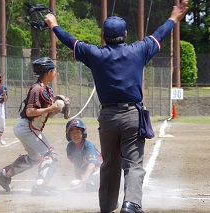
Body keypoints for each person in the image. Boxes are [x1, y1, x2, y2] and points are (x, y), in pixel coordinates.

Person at [44, 1, 188, 212]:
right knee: (133, 163)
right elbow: (159, 34)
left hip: (108, 117)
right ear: (126, 34)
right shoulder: (138, 50)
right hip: (132, 115)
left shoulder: (95, 54)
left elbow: (71, 42)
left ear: (103, 36)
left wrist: (54, 24)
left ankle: (107, 207)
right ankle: (130, 204)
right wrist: (174, 18)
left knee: (110, 164)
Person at [0, 57, 63, 195]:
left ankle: (3, 174)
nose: (55, 72)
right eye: (54, 69)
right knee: (51, 154)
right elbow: (30, 112)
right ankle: (40, 187)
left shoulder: (47, 90)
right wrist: (51, 108)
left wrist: (58, 109)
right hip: (28, 127)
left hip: (28, 128)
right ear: (48, 72)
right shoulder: (37, 89)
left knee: (35, 158)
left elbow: (44, 114)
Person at [65, 118, 102, 192]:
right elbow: (76, 165)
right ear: (69, 135)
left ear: (83, 133)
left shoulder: (88, 146)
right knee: (73, 183)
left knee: (96, 178)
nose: (75, 135)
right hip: (90, 176)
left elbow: (92, 165)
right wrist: (78, 180)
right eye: (72, 133)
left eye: (78, 132)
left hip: (100, 172)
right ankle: (91, 186)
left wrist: (82, 182)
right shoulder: (70, 147)